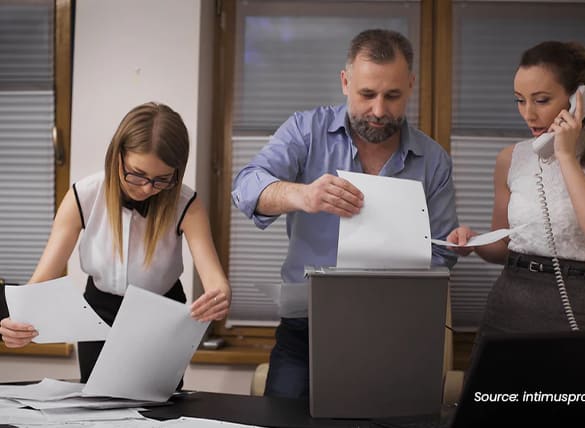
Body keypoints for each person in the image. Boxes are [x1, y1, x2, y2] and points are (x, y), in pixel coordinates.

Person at [232, 29, 459, 398]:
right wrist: (301, 194)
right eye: (367, 94)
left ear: (412, 86)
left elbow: (443, 255)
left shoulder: (433, 161)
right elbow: (246, 187)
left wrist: (455, 245)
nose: (379, 111)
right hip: (305, 330)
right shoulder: (306, 132)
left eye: (393, 96)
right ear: (345, 81)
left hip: (395, 333)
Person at [0, 102, 231, 382]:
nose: (147, 189)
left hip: (162, 315)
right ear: (116, 155)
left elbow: (214, 280)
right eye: (137, 174)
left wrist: (218, 297)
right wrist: (19, 321)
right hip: (98, 314)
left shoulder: (186, 203)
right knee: (98, 412)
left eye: (161, 180)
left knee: (161, 409)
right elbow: (42, 279)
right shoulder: (83, 196)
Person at [447, 41, 585, 334]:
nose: (528, 114)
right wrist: (471, 242)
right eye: (519, 100)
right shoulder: (511, 158)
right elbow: (502, 247)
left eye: (541, 100)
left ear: (578, 100)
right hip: (508, 305)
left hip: (578, 306)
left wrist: (565, 155)